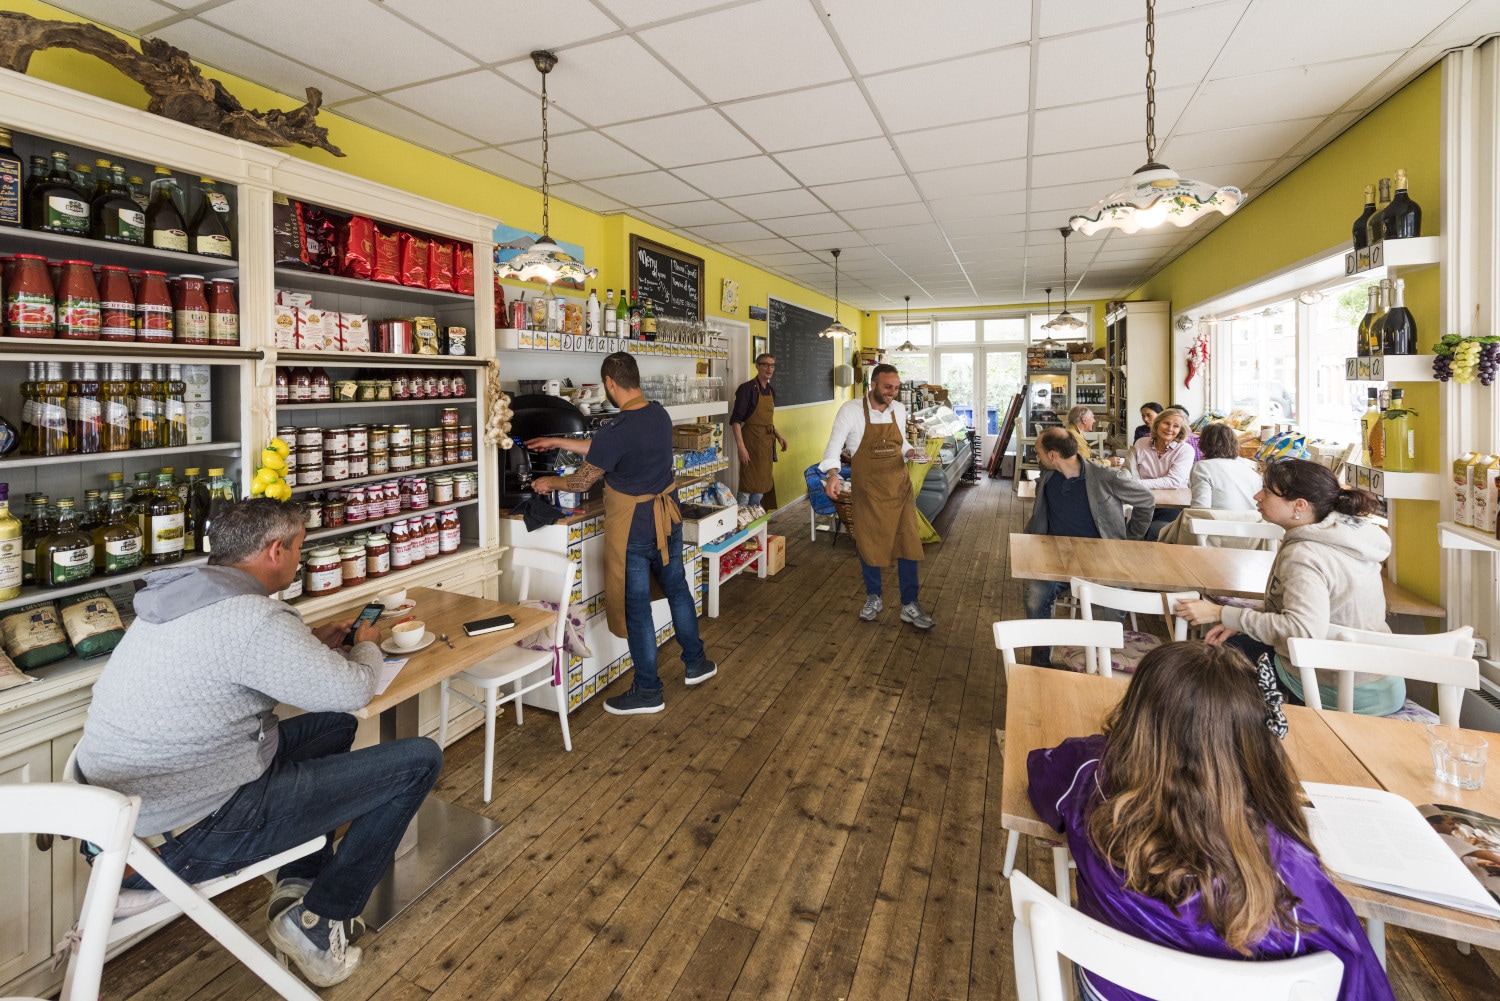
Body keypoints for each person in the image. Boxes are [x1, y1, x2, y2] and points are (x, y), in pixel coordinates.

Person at [75, 499, 443, 988]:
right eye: (299, 549)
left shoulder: (183, 596)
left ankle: (300, 879)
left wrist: (307, 643)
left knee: (334, 724)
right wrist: (367, 642)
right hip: (181, 836)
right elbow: (356, 688)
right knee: (419, 760)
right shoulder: (254, 620)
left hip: (125, 814)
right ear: (275, 550)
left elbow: (225, 663)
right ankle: (319, 922)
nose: (300, 561)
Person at [1028, 641, 1395, 1001]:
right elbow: (1357, 981)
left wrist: (1118, 751)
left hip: (1104, 987)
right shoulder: (1288, 880)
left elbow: (1042, 770)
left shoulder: (1091, 781)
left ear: (1138, 722)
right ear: (1257, 745)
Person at [527, 352, 717, 716]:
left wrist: (549, 480)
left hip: (635, 528)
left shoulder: (617, 429)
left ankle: (648, 689)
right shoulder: (658, 414)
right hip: (668, 520)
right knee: (678, 589)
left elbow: (583, 481)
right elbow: (608, 450)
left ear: (610, 385)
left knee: (637, 609)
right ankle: (697, 663)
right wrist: (560, 442)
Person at [1173, 459, 1399, 715]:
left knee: (1199, 665)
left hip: (1338, 688)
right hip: (1380, 679)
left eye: (1267, 492)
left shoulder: (1305, 553)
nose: (1257, 496)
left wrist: (1219, 613)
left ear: (1299, 506)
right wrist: (1239, 621)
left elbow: (1302, 630)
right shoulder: (1348, 535)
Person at [1023, 426, 1154, 666]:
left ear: (1053, 455)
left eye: (1039, 451)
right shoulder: (1049, 476)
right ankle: (1041, 661)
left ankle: (1109, 660)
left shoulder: (1105, 477)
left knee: (1115, 602)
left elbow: (1146, 500)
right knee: (1035, 595)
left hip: (1103, 558)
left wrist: (1131, 538)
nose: (1037, 456)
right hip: (1057, 559)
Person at [820, 363, 934, 630]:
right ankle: (874, 597)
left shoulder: (899, 409)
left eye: (896, 387)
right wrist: (834, 474)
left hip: (898, 488)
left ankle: (910, 604)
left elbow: (902, 442)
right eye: (887, 387)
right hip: (868, 491)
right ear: (872, 385)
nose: (892, 393)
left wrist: (910, 454)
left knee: (908, 545)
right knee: (869, 545)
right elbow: (834, 446)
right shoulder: (851, 411)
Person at [730, 353, 787, 516]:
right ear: (757, 366)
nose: (769, 368)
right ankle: (739, 521)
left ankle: (754, 522)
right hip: (751, 442)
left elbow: (768, 421)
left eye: (772, 365)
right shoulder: (746, 389)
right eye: (765, 365)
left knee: (761, 487)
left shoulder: (771, 391)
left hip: (766, 444)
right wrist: (741, 447)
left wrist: (779, 436)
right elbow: (736, 421)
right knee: (747, 486)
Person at [1129, 408, 1194, 540]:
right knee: (1131, 534)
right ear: (1157, 423)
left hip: (1172, 505)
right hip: (1144, 501)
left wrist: (1137, 484)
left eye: (1176, 426)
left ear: (1180, 430)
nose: (1170, 429)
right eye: (1166, 423)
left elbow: (1173, 482)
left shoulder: (1185, 450)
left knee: (1156, 530)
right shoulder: (1141, 443)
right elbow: (1131, 471)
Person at [1188, 423, 1261, 510]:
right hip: (1253, 521)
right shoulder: (1248, 468)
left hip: (1221, 521)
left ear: (1203, 444)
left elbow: (1200, 509)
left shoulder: (1203, 467)